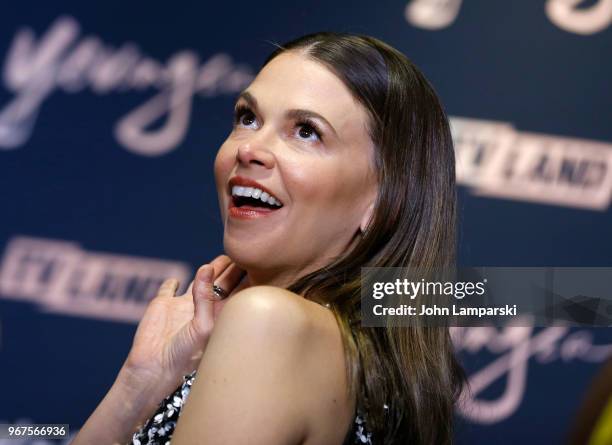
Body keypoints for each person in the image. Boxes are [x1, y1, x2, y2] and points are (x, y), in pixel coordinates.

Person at [72, 32, 466, 445]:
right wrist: (141, 382)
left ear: (383, 200)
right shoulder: (365, 361)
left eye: (307, 132)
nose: (251, 149)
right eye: (248, 118)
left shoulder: (268, 320)